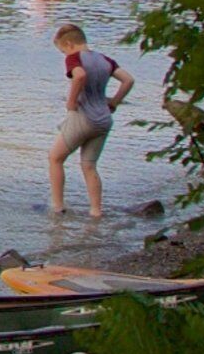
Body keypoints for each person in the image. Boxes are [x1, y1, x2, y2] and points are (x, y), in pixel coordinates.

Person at [49, 22, 138, 218]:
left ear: (70, 44)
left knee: (55, 158)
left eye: (63, 51)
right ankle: (96, 211)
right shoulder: (105, 60)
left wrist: (71, 102)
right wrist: (114, 103)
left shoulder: (74, 58)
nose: (65, 55)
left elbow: (79, 76)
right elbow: (128, 80)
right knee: (89, 166)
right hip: (103, 120)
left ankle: (57, 206)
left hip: (83, 117)